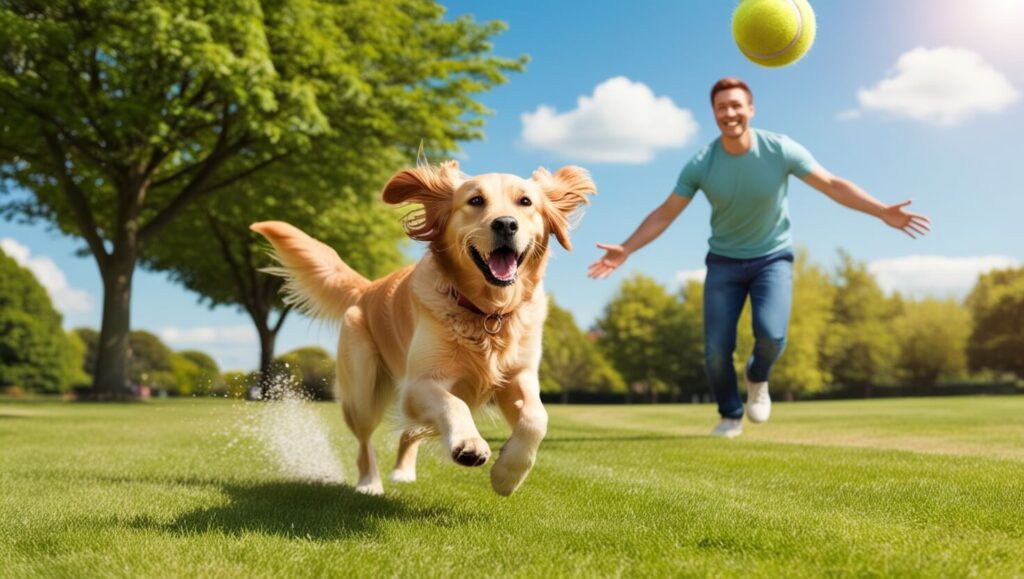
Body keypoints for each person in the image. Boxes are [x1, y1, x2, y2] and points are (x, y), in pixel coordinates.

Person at [587, 78, 930, 438]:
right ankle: (730, 415)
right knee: (716, 349)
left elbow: (831, 184)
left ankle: (757, 375)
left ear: (750, 109)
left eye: (736, 105)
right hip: (723, 262)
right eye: (722, 107)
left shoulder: (779, 149)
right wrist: (627, 248)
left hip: (772, 258)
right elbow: (665, 213)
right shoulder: (701, 164)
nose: (730, 113)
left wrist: (881, 211)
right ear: (714, 114)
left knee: (772, 335)